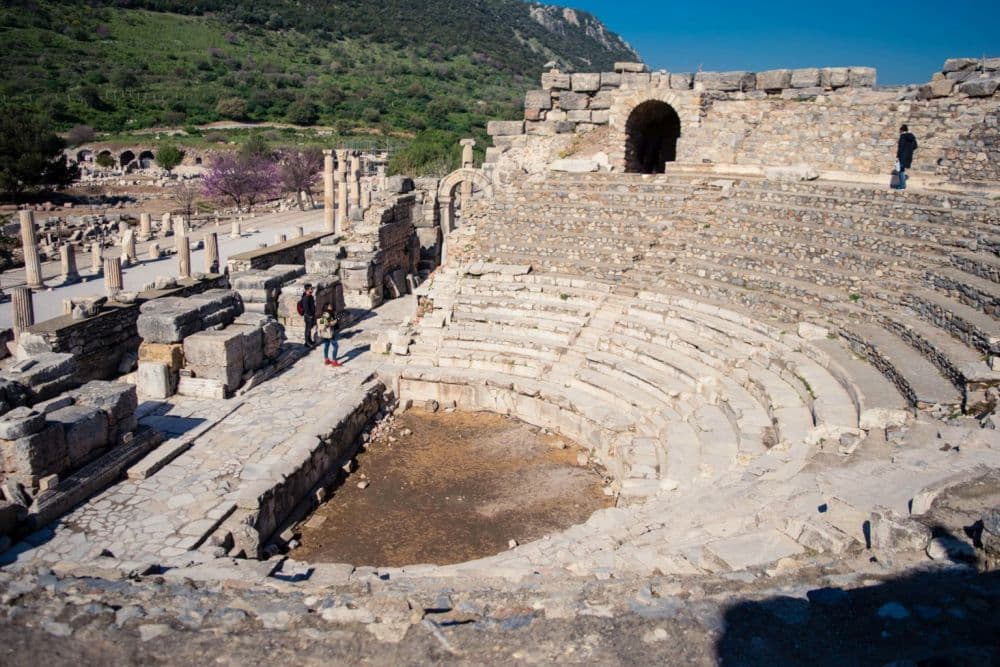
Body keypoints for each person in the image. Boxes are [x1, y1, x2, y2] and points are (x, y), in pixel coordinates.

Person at [895, 124, 918, 190]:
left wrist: (897, 157)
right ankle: (902, 185)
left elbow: (901, 148)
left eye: (899, 130)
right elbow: (915, 146)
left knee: (900, 171)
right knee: (902, 170)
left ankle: (902, 186)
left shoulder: (903, 136)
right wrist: (909, 151)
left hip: (902, 156)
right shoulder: (912, 137)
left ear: (901, 130)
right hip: (908, 156)